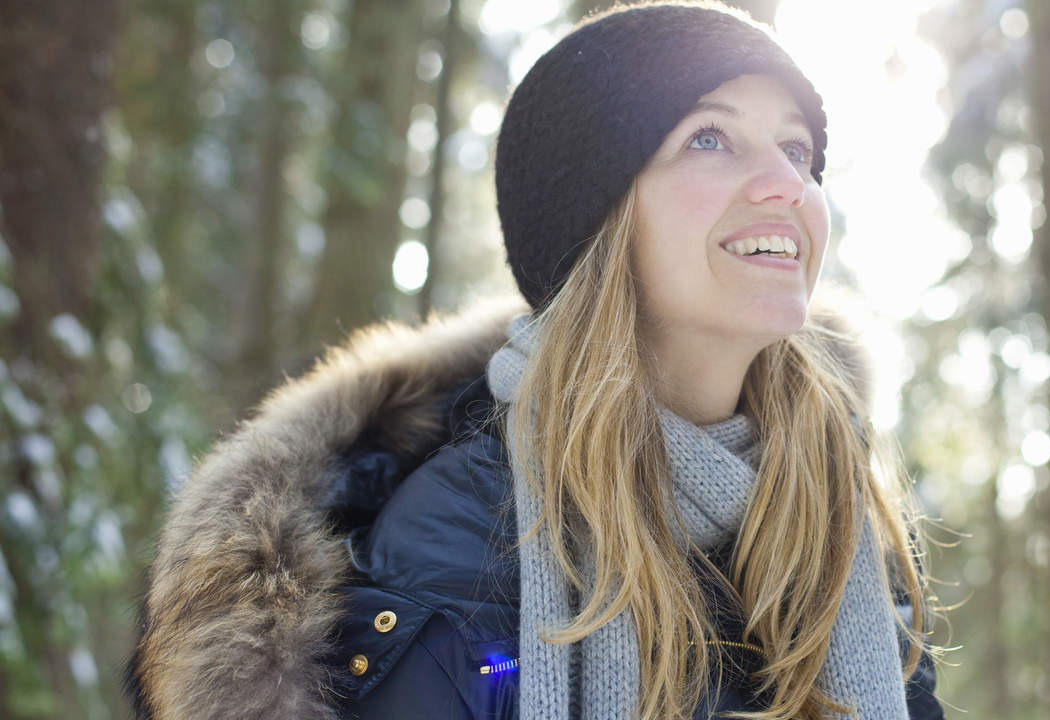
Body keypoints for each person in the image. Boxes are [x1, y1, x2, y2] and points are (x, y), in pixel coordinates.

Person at [126, 2, 944, 718]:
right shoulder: (460, 549)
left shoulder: (841, 520)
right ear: (596, 220)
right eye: (710, 137)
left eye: (797, 151)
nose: (786, 185)